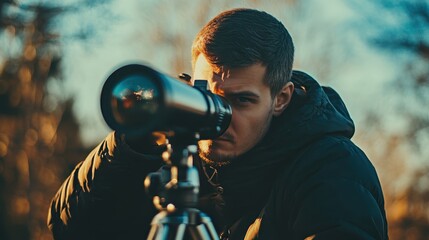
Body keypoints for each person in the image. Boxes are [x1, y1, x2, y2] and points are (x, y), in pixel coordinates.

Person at [47, 8, 388, 240]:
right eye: (206, 95)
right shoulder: (180, 149)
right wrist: (134, 142)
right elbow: (70, 227)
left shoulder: (332, 168)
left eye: (241, 101)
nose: (218, 118)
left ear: (281, 99)